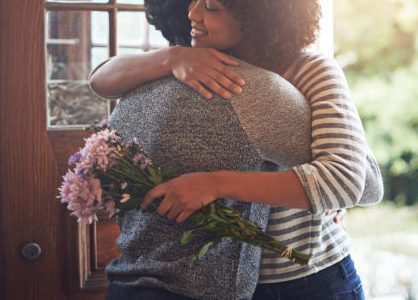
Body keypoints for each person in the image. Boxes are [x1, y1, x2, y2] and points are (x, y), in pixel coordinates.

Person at [90, 0, 383, 299]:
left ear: (257, 16)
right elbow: (100, 78)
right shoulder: (198, 65)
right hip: (239, 286)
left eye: (210, 7)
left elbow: (355, 180)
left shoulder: (312, 71)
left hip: (310, 279)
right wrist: (169, 58)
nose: (193, 15)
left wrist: (213, 184)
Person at [104, 57, 312, 300]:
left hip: (125, 282)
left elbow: (348, 179)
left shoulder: (134, 85)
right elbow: (357, 180)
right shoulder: (254, 88)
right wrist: (327, 188)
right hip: (199, 291)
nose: (194, 16)